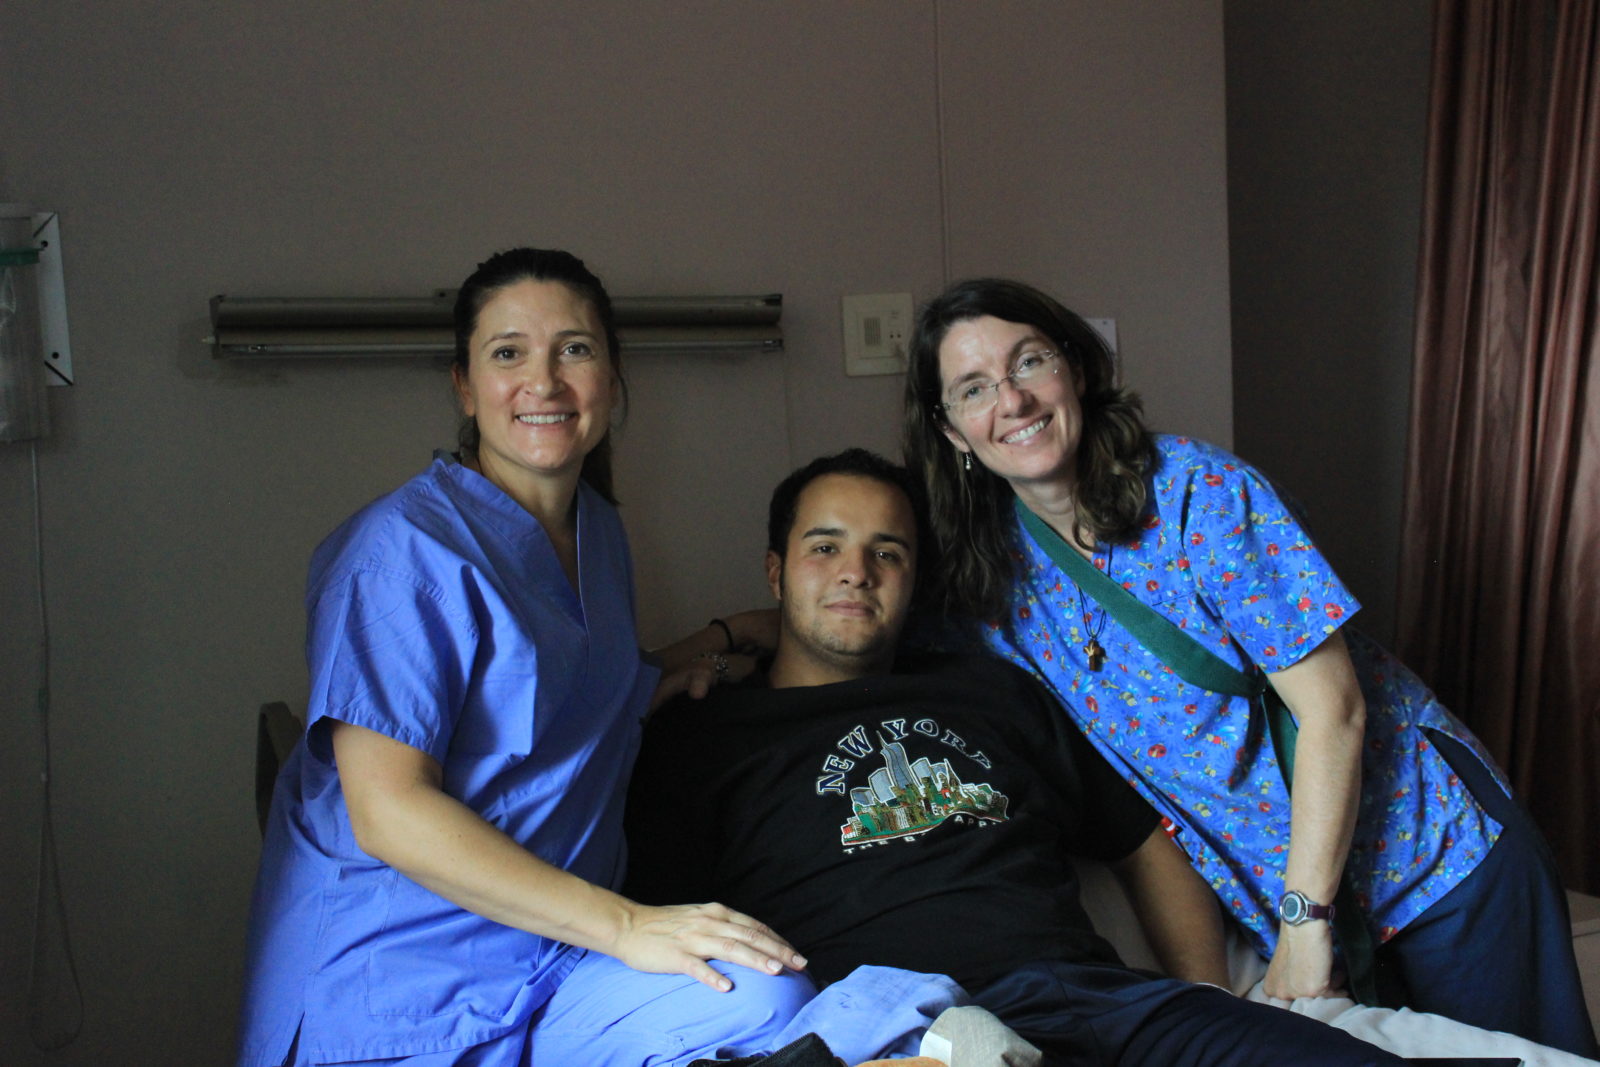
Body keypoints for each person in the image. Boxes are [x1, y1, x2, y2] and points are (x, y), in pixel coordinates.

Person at [899, 277, 1599, 1057]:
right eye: (974, 388)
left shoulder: (1199, 493)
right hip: (1289, 902)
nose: (1013, 400)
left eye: (1029, 361)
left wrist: (1306, 924)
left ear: (1078, 368)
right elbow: (859, 622)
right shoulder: (990, 580)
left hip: (1433, 856)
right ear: (953, 430)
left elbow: (1334, 710)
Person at [625, 449, 1413, 1067]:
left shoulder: (990, 691)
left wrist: (1204, 992)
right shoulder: (702, 736)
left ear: (914, 579)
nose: (855, 571)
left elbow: (1140, 842)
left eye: (887, 552)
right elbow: (670, 945)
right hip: (897, 1029)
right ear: (775, 571)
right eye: (824, 546)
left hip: (1090, 998)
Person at [236, 248, 814, 1067]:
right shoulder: (401, 554)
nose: (543, 381)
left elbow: (562, 698)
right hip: (396, 982)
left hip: (550, 963)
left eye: (574, 349)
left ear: (611, 377)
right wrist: (629, 924)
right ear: (465, 387)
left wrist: (722, 640)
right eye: (508, 353)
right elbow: (389, 809)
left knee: (763, 992)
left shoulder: (598, 532)